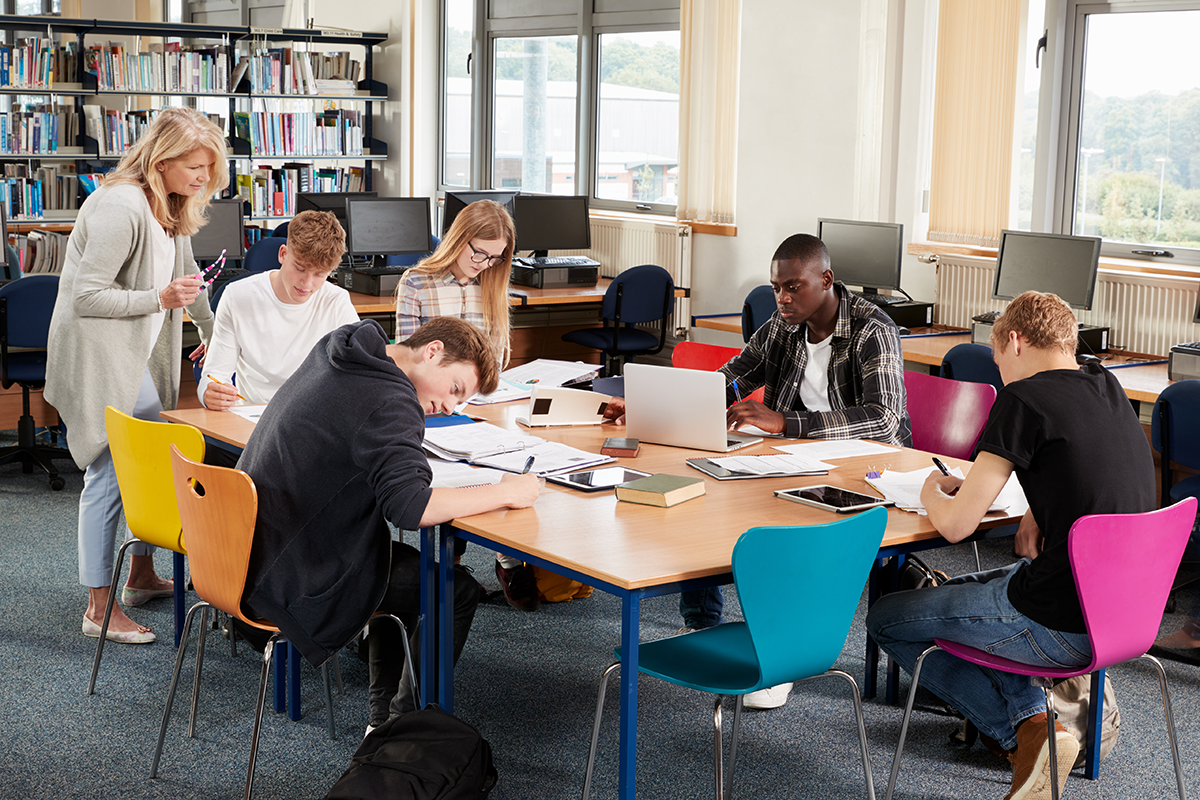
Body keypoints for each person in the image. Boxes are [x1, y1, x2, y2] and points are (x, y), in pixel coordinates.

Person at [865, 290, 1155, 800]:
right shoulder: (1106, 383)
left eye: (998, 359)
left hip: (1059, 620)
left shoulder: (1023, 400)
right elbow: (1088, 470)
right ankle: (1035, 726)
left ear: (1015, 342)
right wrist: (1037, 509)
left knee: (890, 618)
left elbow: (956, 527)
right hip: (1126, 617)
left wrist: (933, 489)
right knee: (970, 595)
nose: (1000, 371)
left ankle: (1028, 731)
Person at [606, 232, 910, 708]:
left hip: (862, 467)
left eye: (793, 287)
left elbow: (885, 420)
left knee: (778, 532)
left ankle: (779, 654)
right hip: (791, 460)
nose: (783, 298)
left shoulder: (873, 329)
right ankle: (702, 621)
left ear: (826, 280)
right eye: (776, 288)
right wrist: (649, 404)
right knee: (700, 484)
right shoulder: (783, 325)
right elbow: (733, 376)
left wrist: (788, 421)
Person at [237, 316, 541, 731]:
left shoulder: (344, 348)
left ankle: (383, 722)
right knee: (453, 591)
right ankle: (402, 726)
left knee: (392, 565)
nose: (450, 407)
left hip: (247, 547)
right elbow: (411, 508)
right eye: (454, 388)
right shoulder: (390, 399)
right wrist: (508, 492)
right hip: (293, 573)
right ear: (432, 351)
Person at [45, 107, 227, 644]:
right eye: (194, 167)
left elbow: (188, 282)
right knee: (108, 470)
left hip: (135, 349)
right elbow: (85, 295)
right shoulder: (119, 207)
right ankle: (97, 608)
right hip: (97, 351)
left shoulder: (172, 205)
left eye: (208, 170)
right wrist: (158, 298)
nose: (202, 179)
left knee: (154, 458)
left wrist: (216, 336)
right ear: (161, 159)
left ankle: (141, 575)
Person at [394, 199, 541, 611]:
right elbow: (410, 360)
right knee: (449, 472)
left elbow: (498, 359)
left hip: (483, 403)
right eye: (478, 252)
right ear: (458, 239)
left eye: (495, 257)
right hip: (434, 404)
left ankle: (508, 557)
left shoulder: (493, 284)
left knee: (511, 458)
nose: (484, 263)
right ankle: (454, 566)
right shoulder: (418, 282)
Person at [198, 209, 358, 411]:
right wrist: (208, 394)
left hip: (312, 415)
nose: (307, 283)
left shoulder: (336, 302)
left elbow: (359, 372)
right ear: (283, 254)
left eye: (319, 274)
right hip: (253, 415)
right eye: (300, 268)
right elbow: (213, 376)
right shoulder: (238, 296)